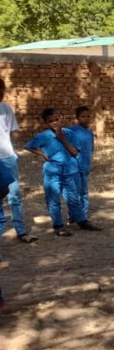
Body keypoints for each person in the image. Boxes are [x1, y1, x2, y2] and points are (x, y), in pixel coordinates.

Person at [24, 109, 100, 236]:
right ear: (46, 123)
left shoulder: (69, 133)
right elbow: (28, 146)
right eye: (50, 121)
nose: (54, 123)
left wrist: (63, 139)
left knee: (73, 198)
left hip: (70, 169)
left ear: (61, 119)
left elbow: (75, 152)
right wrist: (42, 154)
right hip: (52, 170)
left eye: (56, 119)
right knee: (53, 198)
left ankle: (82, 221)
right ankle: (58, 225)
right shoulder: (43, 136)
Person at [0, 78, 38, 244]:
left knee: (14, 195)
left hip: (8, 158)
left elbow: (13, 131)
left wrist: (14, 150)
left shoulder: (6, 109)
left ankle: (21, 231)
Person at [63, 106, 96, 221]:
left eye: (88, 116)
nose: (86, 119)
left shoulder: (90, 132)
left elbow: (91, 149)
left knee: (84, 192)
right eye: (83, 116)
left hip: (85, 166)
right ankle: (73, 215)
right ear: (77, 118)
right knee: (74, 192)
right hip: (74, 167)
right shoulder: (71, 131)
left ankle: (83, 215)